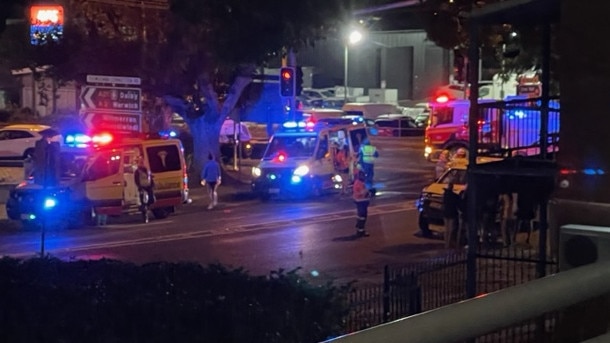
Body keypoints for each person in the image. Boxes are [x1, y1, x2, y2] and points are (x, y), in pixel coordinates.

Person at [134, 157, 155, 223]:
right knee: (143, 202)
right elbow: (136, 180)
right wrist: (139, 187)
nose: (142, 163)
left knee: (151, 199)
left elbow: (150, 178)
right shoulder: (137, 171)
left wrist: (152, 184)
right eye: (141, 162)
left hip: (148, 187)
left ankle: (146, 208)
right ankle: (144, 216)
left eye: (143, 162)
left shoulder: (147, 170)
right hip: (142, 187)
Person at [443, 182, 461, 249]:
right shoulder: (454, 196)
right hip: (452, 213)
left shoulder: (445, 195)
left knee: (446, 229)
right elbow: (458, 203)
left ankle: (446, 243)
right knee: (450, 230)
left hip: (446, 213)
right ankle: (448, 244)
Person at [353, 170, 370, 237]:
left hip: (362, 201)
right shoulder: (359, 183)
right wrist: (366, 191)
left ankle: (360, 228)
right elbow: (361, 193)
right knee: (362, 217)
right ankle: (360, 231)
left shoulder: (360, 182)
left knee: (362, 216)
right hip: (361, 201)